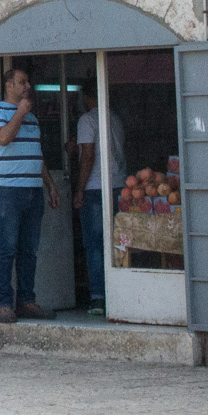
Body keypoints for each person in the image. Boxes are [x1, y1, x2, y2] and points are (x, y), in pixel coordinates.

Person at [0, 65, 55, 321]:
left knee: (29, 250)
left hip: (33, 191)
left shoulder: (32, 118)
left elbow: (36, 154)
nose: (28, 87)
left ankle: (27, 301)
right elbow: (2, 138)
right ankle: (3, 303)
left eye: (28, 82)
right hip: (9, 191)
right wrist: (21, 113)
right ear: (9, 86)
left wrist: (50, 185)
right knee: (7, 247)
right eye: (22, 82)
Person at [72, 87, 125, 312]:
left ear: (86, 97)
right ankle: (120, 293)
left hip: (96, 187)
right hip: (119, 184)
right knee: (116, 241)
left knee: (94, 244)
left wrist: (80, 189)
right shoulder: (114, 117)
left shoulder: (87, 119)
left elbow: (89, 156)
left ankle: (98, 297)